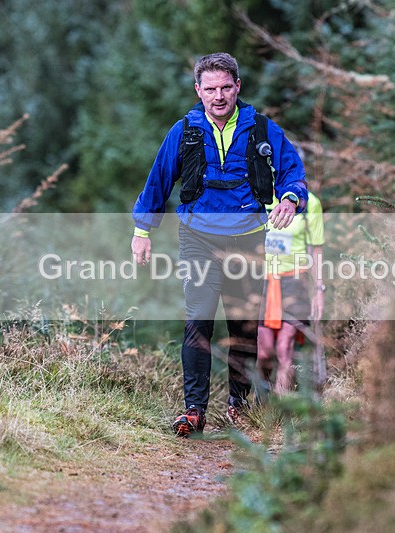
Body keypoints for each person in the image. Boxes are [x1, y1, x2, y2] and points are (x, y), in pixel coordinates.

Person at [131, 52, 308, 437]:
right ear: (198, 90)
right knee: (199, 318)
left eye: (226, 87)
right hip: (198, 239)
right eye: (210, 89)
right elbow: (158, 181)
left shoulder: (261, 128)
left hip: (248, 240)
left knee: (243, 328)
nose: (218, 96)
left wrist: (291, 198)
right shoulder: (185, 130)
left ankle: (238, 405)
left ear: (238, 87)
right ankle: (193, 410)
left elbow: (294, 171)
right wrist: (142, 232)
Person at [257, 192, 325, 397]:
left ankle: (279, 411)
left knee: (284, 347)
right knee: (264, 351)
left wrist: (319, 289)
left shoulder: (310, 202)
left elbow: (316, 250)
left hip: (296, 281)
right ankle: (261, 404)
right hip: (263, 280)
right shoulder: (260, 194)